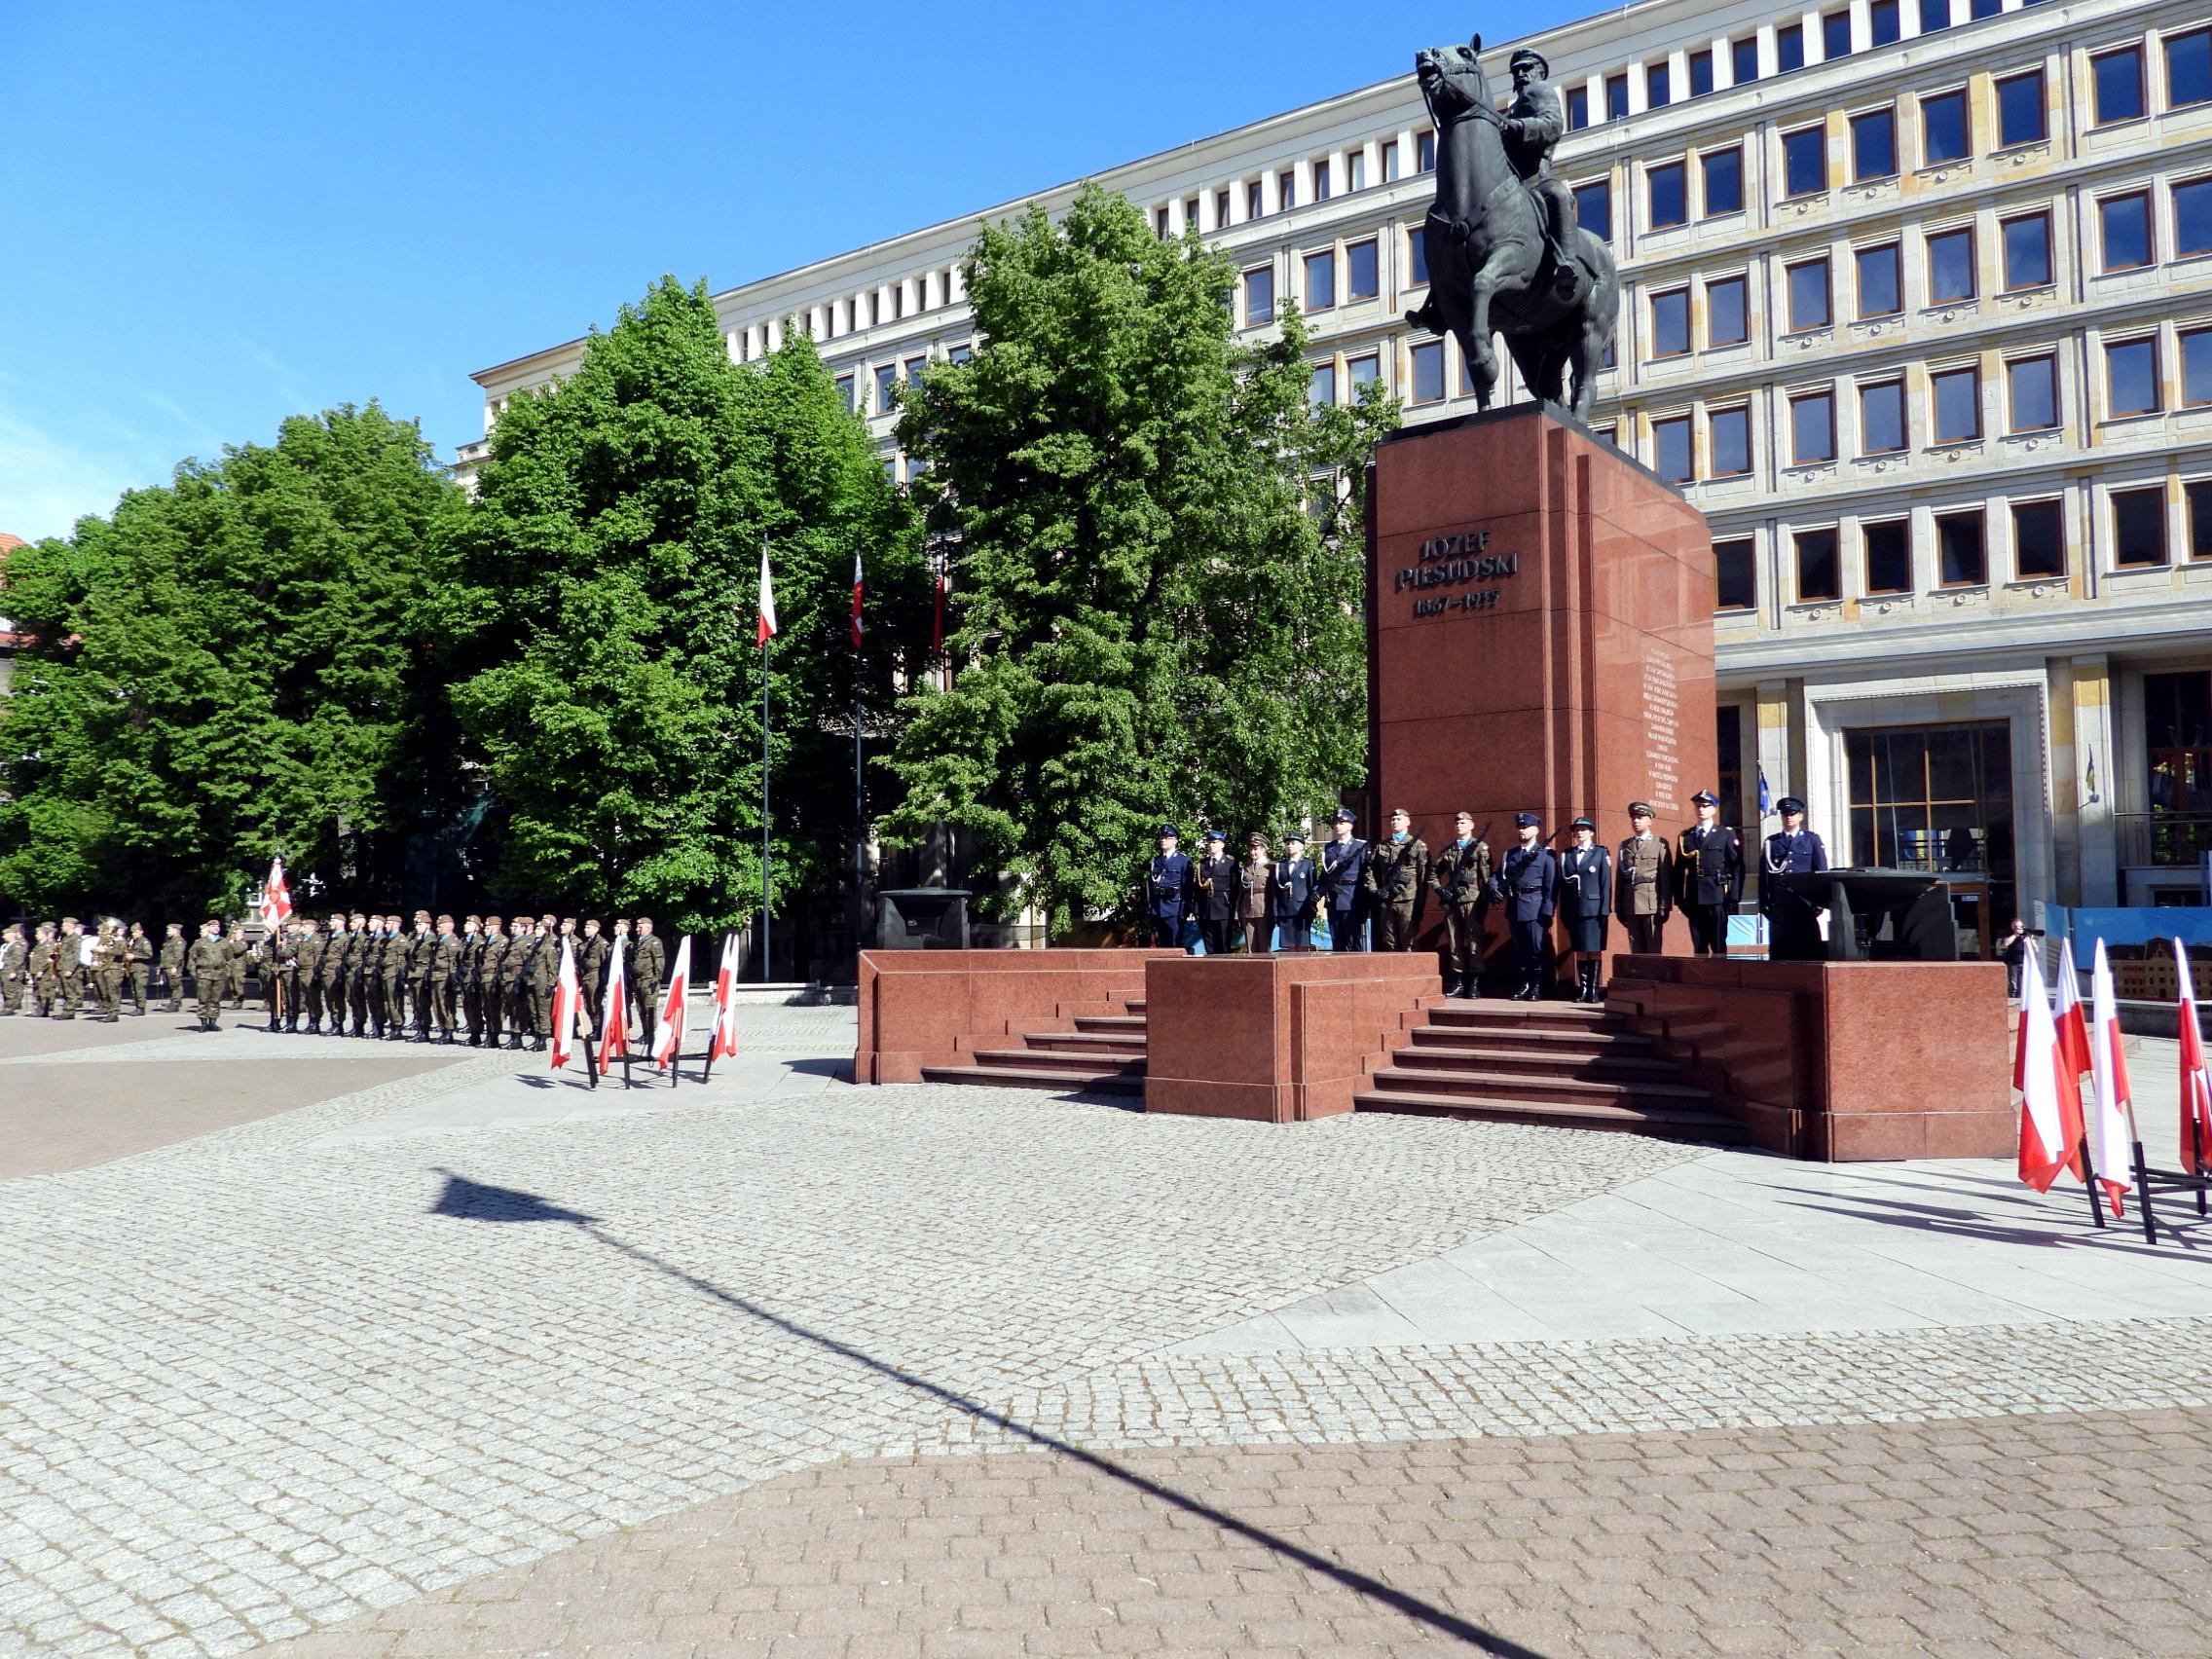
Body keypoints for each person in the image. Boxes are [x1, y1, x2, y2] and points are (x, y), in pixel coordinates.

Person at [1502, 50, 1582, 299]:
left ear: (1540, 72)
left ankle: (1566, 264)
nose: (1520, 74)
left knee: (1558, 195)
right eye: (1516, 71)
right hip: (1507, 183)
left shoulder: (1540, 91)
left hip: (1535, 178)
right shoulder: (1509, 112)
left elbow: (1553, 124)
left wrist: (1521, 127)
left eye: (1526, 68)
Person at [1491, 813, 1559, 1000]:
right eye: (1520, 827)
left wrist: (1547, 910)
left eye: (1526, 827)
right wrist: (1494, 888)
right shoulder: (1510, 854)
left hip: (1535, 907)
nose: (1522, 830)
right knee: (1520, 949)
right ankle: (1524, 985)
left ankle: (1536, 987)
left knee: (1536, 949)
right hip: (1514, 907)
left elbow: (1551, 885)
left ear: (1536, 830)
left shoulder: (1546, 854)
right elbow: (1498, 876)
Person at [1429, 811, 1492, 998]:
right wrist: (1440, 890)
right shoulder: (1448, 851)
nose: (1459, 825)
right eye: (1457, 823)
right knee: (1454, 943)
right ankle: (1459, 982)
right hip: (1452, 903)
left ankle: (1474, 983)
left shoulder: (1480, 848)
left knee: (1473, 942)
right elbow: (1432, 873)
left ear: (1471, 826)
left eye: (1463, 823)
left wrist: (1484, 902)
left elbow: (1486, 877)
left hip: (1472, 901)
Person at [1760, 795, 1830, 962]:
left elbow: (1820, 872)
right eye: (1785, 814)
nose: (1788, 817)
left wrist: (1819, 902)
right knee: (1780, 950)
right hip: (1780, 905)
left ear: (1800, 816)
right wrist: (1765, 903)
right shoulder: (1772, 843)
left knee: (1808, 948)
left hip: (1804, 902)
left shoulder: (1811, 840)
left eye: (1792, 814)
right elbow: (1764, 877)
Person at [1677, 791, 1745, 958]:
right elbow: (1678, 869)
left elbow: (1737, 867)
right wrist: (1679, 899)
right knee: (1699, 946)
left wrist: (1734, 897)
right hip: (1694, 897)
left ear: (1714, 809)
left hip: (1716, 896)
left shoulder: (1725, 834)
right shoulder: (1686, 836)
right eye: (1698, 806)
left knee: (1718, 944)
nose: (1701, 809)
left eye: (1705, 806)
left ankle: (1720, 973)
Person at [1560, 817, 1613, 1003]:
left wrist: (1604, 909)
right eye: (1577, 830)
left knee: (1594, 948)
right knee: (1580, 948)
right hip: (1574, 909)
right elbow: (1564, 884)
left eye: (1583, 829)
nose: (1579, 833)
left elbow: (1605, 883)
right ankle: (1582, 989)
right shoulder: (1568, 854)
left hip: (1593, 908)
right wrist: (1564, 910)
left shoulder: (1600, 852)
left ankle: (1593, 990)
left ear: (1591, 833)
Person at [1614, 802, 1675, 955]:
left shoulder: (1659, 844)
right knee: (1636, 950)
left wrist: (1664, 906)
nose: (1636, 821)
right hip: (1630, 904)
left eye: (1640, 817)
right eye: (1633, 818)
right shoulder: (1625, 846)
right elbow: (1620, 879)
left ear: (1650, 820)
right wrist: (1619, 906)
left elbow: (1665, 878)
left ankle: (1655, 972)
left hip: (1651, 904)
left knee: (1653, 949)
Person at [1366, 807, 1429, 952]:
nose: (1395, 821)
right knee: (1389, 941)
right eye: (1393, 819)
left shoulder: (1417, 845)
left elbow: (1423, 875)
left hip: (1407, 899)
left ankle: (1410, 967)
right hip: (1386, 899)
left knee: (1408, 941)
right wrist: (1375, 890)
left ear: (1408, 822)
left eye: (1399, 819)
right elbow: (1371, 871)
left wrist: (1420, 900)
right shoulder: (1382, 845)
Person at [1317, 807, 1369, 952]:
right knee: (1337, 942)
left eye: (1341, 823)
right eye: (1335, 823)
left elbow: (1366, 874)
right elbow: (1325, 874)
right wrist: (1317, 890)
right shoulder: (1329, 848)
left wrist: (1366, 901)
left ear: (1350, 826)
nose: (1337, 826)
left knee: (1353, 943)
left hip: (1352, 898)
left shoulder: (1361, 846)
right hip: (1333, 898)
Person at [1144, 825, 1195, 949]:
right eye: (1162, 838)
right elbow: (1151, 885)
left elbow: (1187, 888)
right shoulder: (1156, 861)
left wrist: (1184, 910)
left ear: (1175, 841)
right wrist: (1152, 907)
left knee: (1176, 944)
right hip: (1158, 908)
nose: (1163, 841)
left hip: (1174, 908)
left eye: (1167, 838)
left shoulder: (1183, 860)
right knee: (1162, 946)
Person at [1272, 830, 1318, 952]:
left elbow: (1313, 887)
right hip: (1285, 909)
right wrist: (1276, 910)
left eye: (1293, 843)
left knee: (1302, 945)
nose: (1290, 846)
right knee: (1289, 946)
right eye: (1287, 843)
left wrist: (1312, 907)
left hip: (1302, 909)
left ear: (1301, 846)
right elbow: (1276, 890)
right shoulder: (1280, 865)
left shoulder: (1308, 864)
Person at [1193, 829, 1236, 956]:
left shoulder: (1231, 863)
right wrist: (1196, 911)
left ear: (1222, 844)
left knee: (1224, 946)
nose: (1211, 845)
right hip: (1206, 910)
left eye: (1214, 842)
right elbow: (1197, 891)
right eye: (1209, 842)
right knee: (1209, 947)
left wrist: (1235, 912)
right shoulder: (1202, 864)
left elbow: (1235, 889)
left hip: (1223, 910)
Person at [631, 917, 665, 1049]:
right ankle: (645, 1033)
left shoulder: (654, 942)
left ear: (648, 927)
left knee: (649, 1008)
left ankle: (651, 1034)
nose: (637, 929)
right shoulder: (638, 942)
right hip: (638, 981)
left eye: (640, 927)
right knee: (641, 1008)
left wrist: (657, 978)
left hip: (649, 980)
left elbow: (659, 960)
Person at [1235, 833, 1273, 952]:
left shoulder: (1271, 867)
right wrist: (1238, 913)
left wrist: (1275, 912)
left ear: (1263, 849)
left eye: (1256, 849)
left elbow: (1274, 892)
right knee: (1251, 947)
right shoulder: (1246, 868)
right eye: (1251, 849)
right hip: (1247, 911)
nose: (1253, 852)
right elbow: (1241, 893)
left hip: (1264, 911)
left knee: (1264, 946)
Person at [475, 915, 509, 1049]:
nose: (485, 929)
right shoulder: (486, 942)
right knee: (487, 1009)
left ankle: (494, 1036)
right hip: (484, 978)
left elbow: (502, 963)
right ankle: (489, 1034)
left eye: (488, 927)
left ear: (496, 928)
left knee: (494, 1009)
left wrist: (498, 980)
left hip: (493, 978)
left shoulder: (502, 942)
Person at [188, 920, 228, 1032]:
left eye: (217, 926)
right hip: (204, 974)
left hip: (219, 974)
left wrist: (227, 972)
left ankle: (213, 1022)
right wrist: (193, 972)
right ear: (208, 928)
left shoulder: (224, 942)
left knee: (216, 999)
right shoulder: (200, 942)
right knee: (203, 999)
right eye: (213, 926)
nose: (216, 927)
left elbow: (230, 959)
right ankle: (203, 1023)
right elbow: (192, 958)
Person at [294, 918, 325, 1033]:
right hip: (302, 971)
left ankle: (315, 1022)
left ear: (312, 928)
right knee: (307, 999)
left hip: (311, 971)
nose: (302, 928)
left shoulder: (316, 940)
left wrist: (317, 972)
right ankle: (311, 1021)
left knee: (314, 998)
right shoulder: (303, 939)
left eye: (305, 926)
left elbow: (318, 957)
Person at [29, 923, 59, 1017]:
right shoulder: (38, 946)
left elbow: (48, 960)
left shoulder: (48, 946)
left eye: (38, 933)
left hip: (43, 973)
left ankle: (43, 1010)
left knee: (43, 992)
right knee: (37, 992)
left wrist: (41, 970)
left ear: (44, 934)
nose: (36, 935)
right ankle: (39, 1009)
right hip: (35, 971)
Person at [158, 923, 187, 1014]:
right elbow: (165, 955)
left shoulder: (179, 941)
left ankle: (175, 1003)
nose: (168, 932)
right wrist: (161, 967)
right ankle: (174, 1002)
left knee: (176, 986)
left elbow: (179, 955)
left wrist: (175, 967)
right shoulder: (170, 941)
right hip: (167, 966)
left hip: (173, 967)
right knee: (171, 986)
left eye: (169, 930)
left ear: (176, 930)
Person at [125, 923, 153, 1015]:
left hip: (141, 969)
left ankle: (141, 1008)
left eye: (136, 932)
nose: (134, 934)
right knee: (135, 989)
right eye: (133, 932)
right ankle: (137, 1007)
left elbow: (149, 955)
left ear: (141, 932)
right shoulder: (133, 942)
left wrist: (134, 956)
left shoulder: (144, 941)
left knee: (140, 989)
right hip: (133, 968)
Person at [0, 922, 24, 1015]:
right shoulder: (5, 945)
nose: (3, 937)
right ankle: (6, 1006)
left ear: (11, 935)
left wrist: (14, 971)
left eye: (5, 935)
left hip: (10, 970)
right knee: (4, 990)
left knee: (10, 990)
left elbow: (18, 960)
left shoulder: (16, 946)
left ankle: (9, 1008)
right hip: (3, 970)